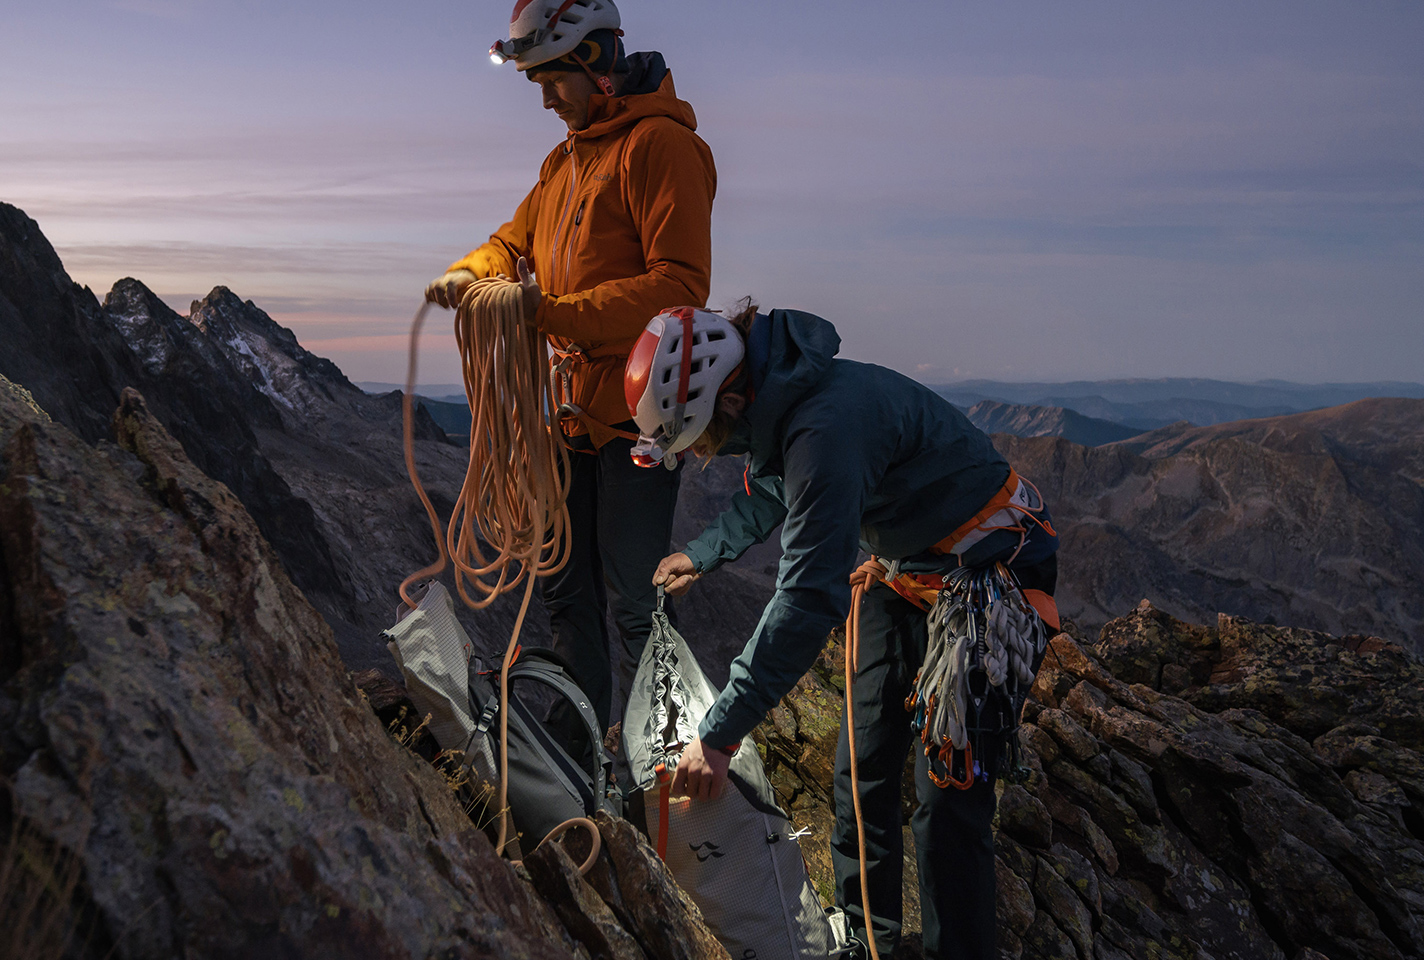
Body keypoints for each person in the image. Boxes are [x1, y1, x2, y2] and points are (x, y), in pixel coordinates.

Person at [625, 303, 1060, 960]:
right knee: (861, 775)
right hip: (909, 568)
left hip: (991, 569)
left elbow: (807, 598)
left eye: (704, 437)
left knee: (947, 800)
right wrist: (706, 551)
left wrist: (718, 736)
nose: (707, 452)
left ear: (732, 398)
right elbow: (777, 489)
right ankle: (868, 945)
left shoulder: (826, 426)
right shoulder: (786, 401)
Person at [425, 0, 716, 728]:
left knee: (630, 594)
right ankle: (578, 748)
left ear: (595, 61)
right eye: (536, 83)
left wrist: (546, 314)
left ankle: (667, 759)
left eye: (554, 79)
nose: (547, 98)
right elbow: (513, 241)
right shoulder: (566, 162)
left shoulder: (659, 147)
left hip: (639, 415)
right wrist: (472, 273)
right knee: (564, 588)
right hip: (570, 411)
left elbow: (680, 284)